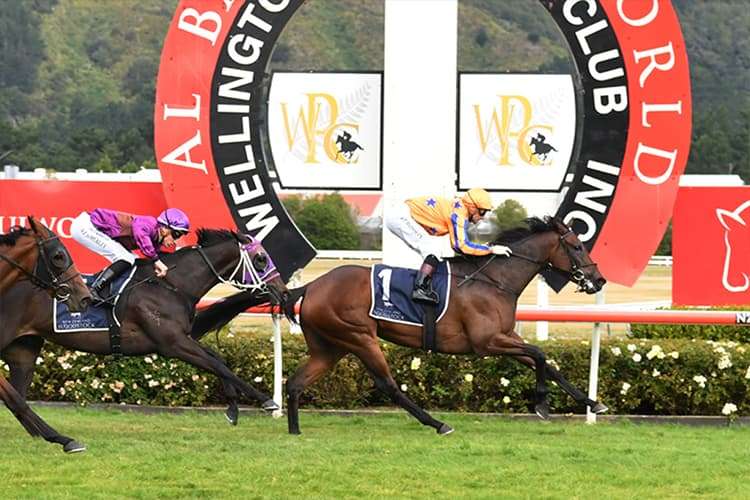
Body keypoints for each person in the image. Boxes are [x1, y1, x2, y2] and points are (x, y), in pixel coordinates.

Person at [384, 188, 512, 304]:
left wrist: (482, 249)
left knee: (431, 253)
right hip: (401, 217)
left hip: (401, 215)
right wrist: (490, 249)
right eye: (482, 212)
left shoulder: (460, 210)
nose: (483, 217)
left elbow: (456, 246)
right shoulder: (458, 214)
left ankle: (425, 285)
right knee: (432, 250)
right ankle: (420, 289)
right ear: (472, 207)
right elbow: (461, 246)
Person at [70, 207, 190, 303]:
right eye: (176, 234)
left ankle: (105, 288)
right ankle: (94, 289)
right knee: (126, 258)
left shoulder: (156, 239)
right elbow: (143, 239)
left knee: (134, 261)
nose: (175, 240)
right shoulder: (149, 223)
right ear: (164, 229)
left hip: (94, 228)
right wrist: (156, 261)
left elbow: (152, 256)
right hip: (86, 226)